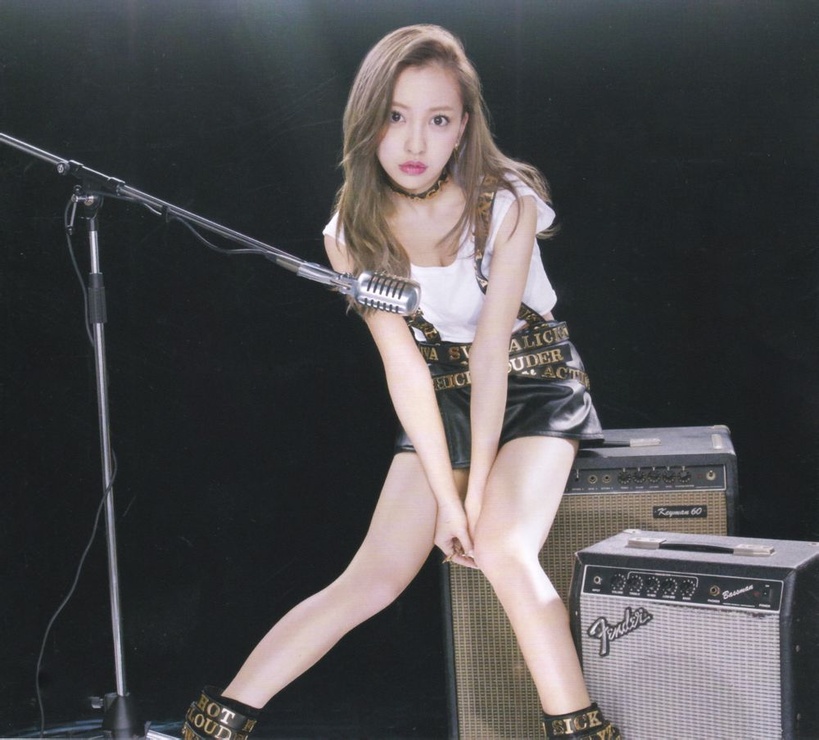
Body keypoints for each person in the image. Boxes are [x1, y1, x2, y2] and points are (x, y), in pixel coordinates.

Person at [182, 24, 620, 740]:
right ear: (368, 119)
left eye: (438, 120)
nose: (415, 142)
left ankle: (584, 731)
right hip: (438, 394)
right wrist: (446, 501)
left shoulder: (504, 201)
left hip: (535, 381)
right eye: (396, 116)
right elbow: (404, 366)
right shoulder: (349, 232)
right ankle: (213, 725)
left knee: (503, 550)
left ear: (463, 127)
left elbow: (490, 353)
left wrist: (472, 497)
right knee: (374, 577)